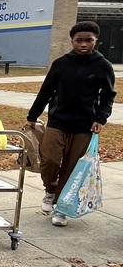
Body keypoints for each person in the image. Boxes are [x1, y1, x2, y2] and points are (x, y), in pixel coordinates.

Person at [24, 20, 116, 227]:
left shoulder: (103, 66)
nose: (83, 44)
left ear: (95, 41)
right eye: (79, 40)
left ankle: (61, 208)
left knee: (73, 168)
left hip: (85, 126)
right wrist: (32, 116)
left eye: (89, 40)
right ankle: (50, 190)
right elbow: (46, 91)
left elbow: (108, 96)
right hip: (57, 122)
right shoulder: (61, 64)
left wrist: (100, 118)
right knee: (49, 160)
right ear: (72, 41)